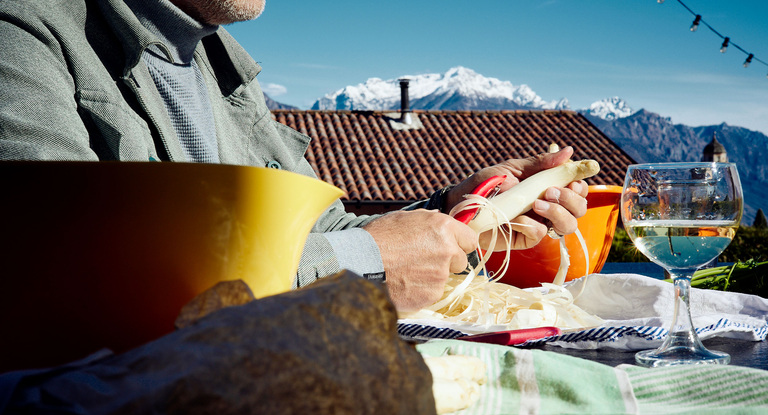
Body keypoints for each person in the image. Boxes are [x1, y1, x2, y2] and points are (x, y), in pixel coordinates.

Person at [0, 0, 588, 313]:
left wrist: (455, 213)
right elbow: (59, 271)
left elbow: (319, 231)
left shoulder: (222, 65)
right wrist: (364, 264)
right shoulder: (24, 26)